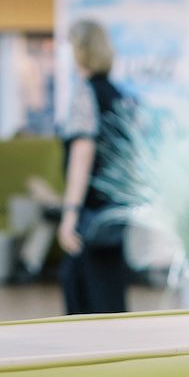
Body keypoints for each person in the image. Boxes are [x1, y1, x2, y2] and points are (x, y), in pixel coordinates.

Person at [58, 18, 131, 316]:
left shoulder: (86, 93)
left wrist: (70, 213)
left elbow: (82, 152)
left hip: (91, 217)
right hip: (114, 215)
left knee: (83, 292)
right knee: (109, 293)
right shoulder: (118, 96)